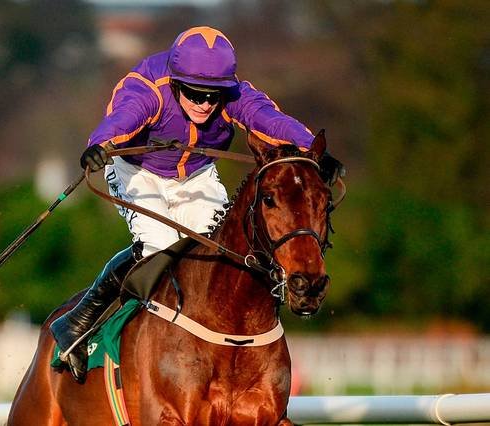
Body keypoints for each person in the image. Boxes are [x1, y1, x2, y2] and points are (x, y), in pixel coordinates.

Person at [51, 26, 344, 383]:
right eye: (195, 94)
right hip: (138, 172)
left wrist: (314, 149)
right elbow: (121, 119)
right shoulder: (149, 89)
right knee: (159, 247)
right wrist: (99, 144)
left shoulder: (233, 93)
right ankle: (77, 323)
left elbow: (270, 120)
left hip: (197, 174)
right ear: (175, 83)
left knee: (218, 253)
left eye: (213, 96)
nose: (205, 104)